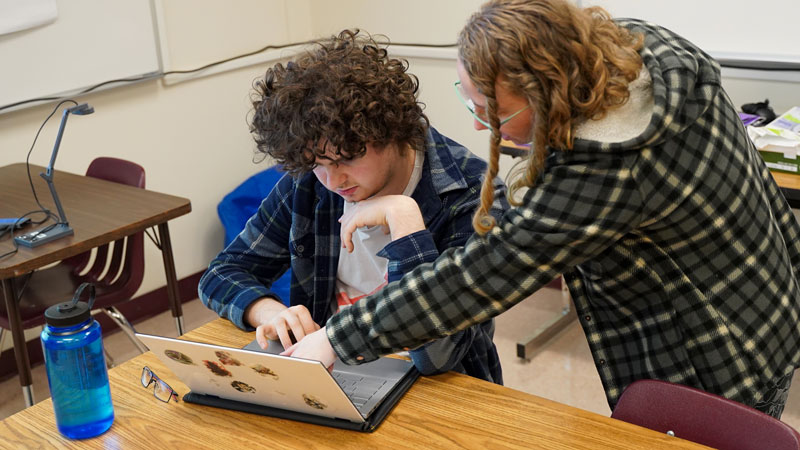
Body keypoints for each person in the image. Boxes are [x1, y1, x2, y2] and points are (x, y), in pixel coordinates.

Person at [285, 0, 800, 419]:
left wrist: (337, 338)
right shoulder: (643, 46)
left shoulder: (605, 170)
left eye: (494, 113)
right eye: (470, 104)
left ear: (549, 93)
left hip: (716, 344)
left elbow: (479, 276)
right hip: (765, 287)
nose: (480, 129)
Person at [198, 29, 508, 384]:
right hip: (331, 368)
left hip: (441, 388)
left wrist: (406, 223)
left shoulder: (471, 193)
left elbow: (438, 356)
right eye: (318, 164)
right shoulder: (311, 182)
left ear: (394, 130)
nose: (333, 181)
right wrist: (267, 311)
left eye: (346, 159)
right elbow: (222, 272)